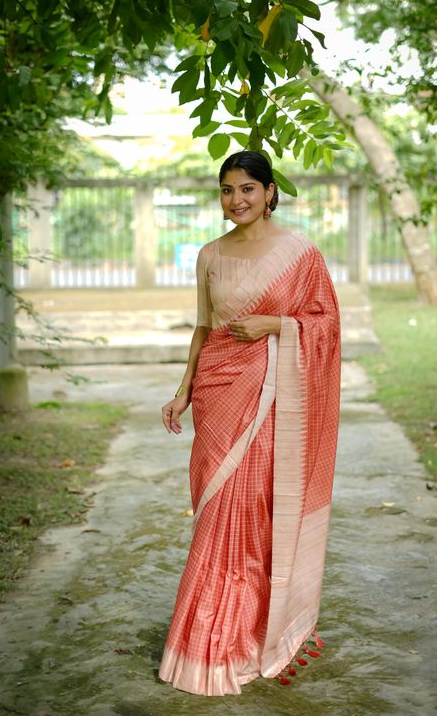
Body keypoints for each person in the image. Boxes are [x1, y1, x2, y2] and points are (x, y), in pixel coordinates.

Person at [159, 150, 341, 696]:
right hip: (219, 392)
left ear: (268, 194)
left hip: (270, 396)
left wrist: (277, 324)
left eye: (247, 189)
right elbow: (202, 328)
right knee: (216, 507)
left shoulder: (300, 253)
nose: (236, 200)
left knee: (254, 507)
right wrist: (183, 390)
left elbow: (326, 322)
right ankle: (204, 634)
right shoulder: (210, 255)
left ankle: (246, 629)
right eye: (227, 190)